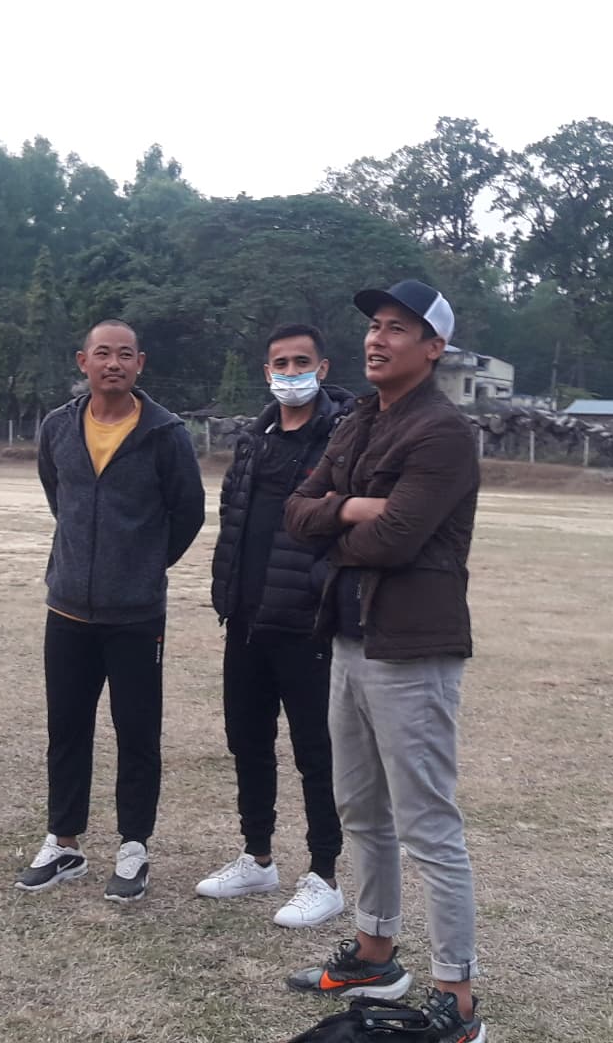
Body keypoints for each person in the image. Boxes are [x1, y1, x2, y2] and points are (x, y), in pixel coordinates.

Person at [282, 280, 486, 1042]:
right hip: (349, 637)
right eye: (374, 325)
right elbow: (294, 510)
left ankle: (457, 999)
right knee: (361, 812)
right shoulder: (359, 419)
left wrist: (333, 528)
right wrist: (348, 508)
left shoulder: (442, 432)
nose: (377, 338)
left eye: (398, 328)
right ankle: (375, 954)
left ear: (434, 349)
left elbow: (397, 539)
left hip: (413, 649)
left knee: (429, 827)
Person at [15, 319, 205, 902]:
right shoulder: (58, 427)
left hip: (135, 615)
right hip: (68, 609)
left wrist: (142, 564)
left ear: (140, 364)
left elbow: (189, 512)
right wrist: (83, 559)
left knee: (137, 732)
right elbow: (60, 496)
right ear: (84, 362)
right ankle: (64, 842)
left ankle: (134, 847)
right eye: (103, 353)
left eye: (125, 354)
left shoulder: (165, 433)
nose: (113, 363)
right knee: (66, 728)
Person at [199, 323, 352, 928]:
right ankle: (257, 856)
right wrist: (227, 592)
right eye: (280, 364)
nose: (291, 373)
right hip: (246, 617)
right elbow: (231, 518)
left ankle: (324, 875)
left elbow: (348, 524)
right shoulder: (254, 439)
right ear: (266, 372)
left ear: (323, 367)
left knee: (316, 751)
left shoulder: (342, 438)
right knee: (248, 741)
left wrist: (320, 585)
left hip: (305, 621)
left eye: (301, 362)